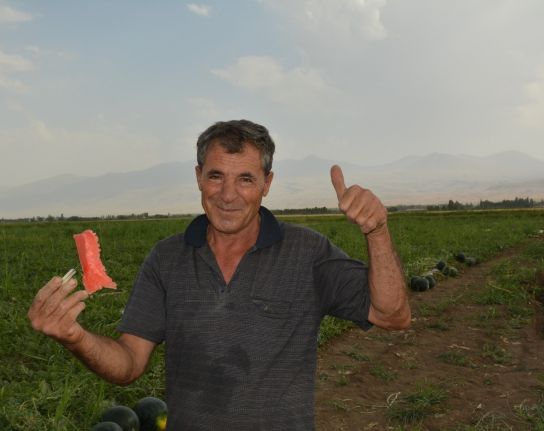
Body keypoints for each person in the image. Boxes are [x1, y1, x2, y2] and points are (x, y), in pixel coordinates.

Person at [28, 119, 411, 430]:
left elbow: (392, 315)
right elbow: (128, 364)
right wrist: (76, 337)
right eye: (215, 176)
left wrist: (377, 231)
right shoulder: (167, 258)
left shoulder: (307, 252)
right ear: (198, 177)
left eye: (245, 179)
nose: (228, 194)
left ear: (267, 184)